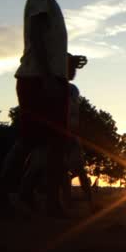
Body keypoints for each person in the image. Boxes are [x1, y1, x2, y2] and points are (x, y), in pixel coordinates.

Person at [0, 0, 87, 218]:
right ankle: (7, 199)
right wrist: (47, 77)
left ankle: (46, 202)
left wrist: (67, 59)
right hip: (39, 80)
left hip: (45, 78)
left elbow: (46, 41)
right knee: (32, 141)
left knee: (50, 142)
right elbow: (35, 36)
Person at [19, 61, 95, 209]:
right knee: (49, 167)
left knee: (69, 168)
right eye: (71, 68)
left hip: (68, 133)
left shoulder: (71, 89)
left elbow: (73, 113)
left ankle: (81, 201)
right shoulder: (62, 89)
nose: (74, 72)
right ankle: (66, 201)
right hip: (57, 132)